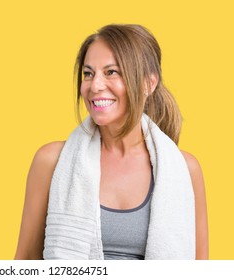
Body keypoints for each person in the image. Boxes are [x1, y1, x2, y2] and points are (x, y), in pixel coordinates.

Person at [14, 24, 208, 260]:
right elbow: (25, 261)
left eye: (111, 72)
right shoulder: (51, 161)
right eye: (88, 73)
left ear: (148, 83)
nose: (95, 86)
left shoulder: (185, 170)